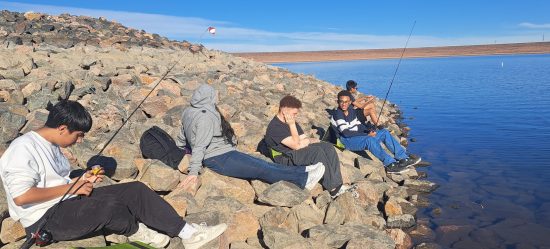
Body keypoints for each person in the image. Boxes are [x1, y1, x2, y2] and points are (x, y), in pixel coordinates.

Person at [0, 100, 226, 249]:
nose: (79, 141)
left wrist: (81, 180)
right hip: (44, 220)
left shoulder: (53, 144)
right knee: (109, 206)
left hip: (66, 201)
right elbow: (22, 197)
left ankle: (187, 232)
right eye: (78, 135)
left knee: (134, 190)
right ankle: (136, 231)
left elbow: (57, 181)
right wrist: (74, 188)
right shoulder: (23, 148)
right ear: (62, 128)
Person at [176, 84, 325, 193]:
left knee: (262, 163)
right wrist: (193, 172)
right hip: (217, 158)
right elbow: (200, 145)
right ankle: (303, 180)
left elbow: (182, 137)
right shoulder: (205, 117)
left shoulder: (188, 112)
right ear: (209, 98)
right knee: (261, 169)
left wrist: (179, 150)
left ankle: (303, 170)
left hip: (225, 153)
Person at [264, 95, 354, 198]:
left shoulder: (291, 121)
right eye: (294, 113)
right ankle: (333, 189)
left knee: (327, 147)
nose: (295, 116)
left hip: (295, 152)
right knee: (316, 152)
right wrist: (292, 126)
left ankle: (338, 184)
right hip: (285, 157)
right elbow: (297, 146)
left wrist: (310, 141)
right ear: (284, 111)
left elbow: (303, 138)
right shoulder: (275, 127)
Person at [330, 90, 421, 173]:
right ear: (338, 102)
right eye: (341, 101)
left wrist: (368, 130)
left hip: (357, 137)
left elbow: (358, 126)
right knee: (369, 140)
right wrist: (367, 135)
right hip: (346, 141)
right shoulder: (338, 114)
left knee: (384, 132)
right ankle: (390, 164)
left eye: (346, 102)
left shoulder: (351, 111)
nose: (343, 104)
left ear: (350, 102)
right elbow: (346, 133)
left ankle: (403, 157)